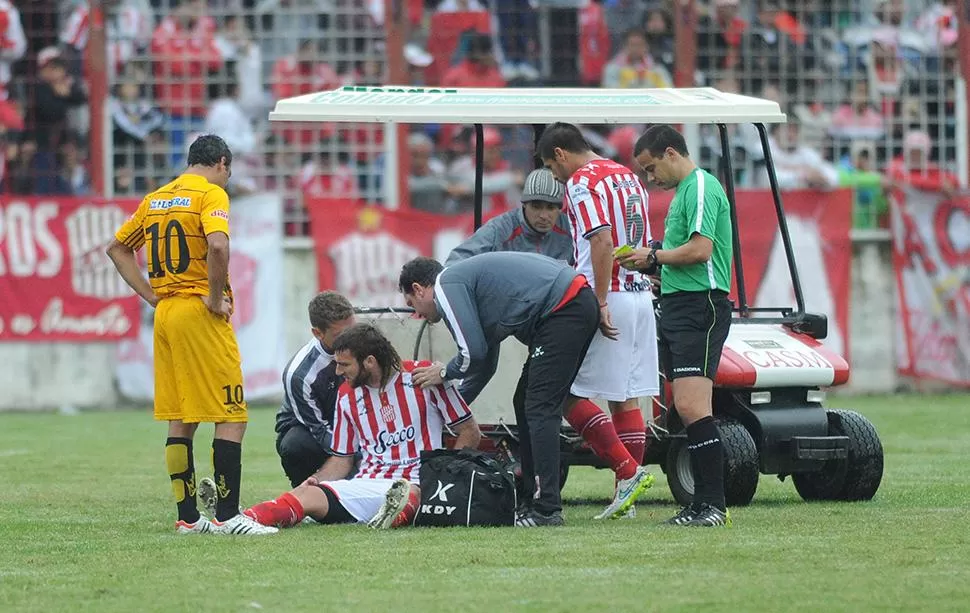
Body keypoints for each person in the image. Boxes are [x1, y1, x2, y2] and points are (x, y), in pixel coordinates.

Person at [399, 252, 653, 526]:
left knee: (539, 407)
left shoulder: (445, 285)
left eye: (412, 304)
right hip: (572, 303)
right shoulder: (465, 286)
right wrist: (453, 413)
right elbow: (484, 363)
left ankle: (546, 509)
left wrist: (444, 372)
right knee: (525, 400)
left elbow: (471, 353)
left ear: (419, 288)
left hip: (563, 308)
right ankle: (534, 499)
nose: (417, 314)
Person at [105, 134, 276, 535]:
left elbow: (117, 249)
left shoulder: (156, 199)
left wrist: (151, 296)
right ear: (221, 162)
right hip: (199, 313)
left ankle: (187, 518)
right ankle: (230, 516)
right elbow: (218, 247)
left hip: (167, 313)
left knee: (181, 418)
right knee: (231, 413)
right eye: (228, 173)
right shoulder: (210, 194)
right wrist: (215, 299)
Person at [200, 323, 482, 530]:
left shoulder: (423, 377)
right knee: (307, 493)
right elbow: (342, 459)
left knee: (411, 492)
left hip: (418, 482)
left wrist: (443, 481)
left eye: (344, 364)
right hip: (367, 484)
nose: (337, 372)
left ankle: (401, 509)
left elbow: (469, 431)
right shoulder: (347, 395)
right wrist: (319, 479)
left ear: (369, 361)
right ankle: (241, 518)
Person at [536, 122, 660, 519]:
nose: (555, 178)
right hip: (641, 295)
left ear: (559, 153)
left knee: (564, 392)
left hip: (609, 294)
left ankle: (627, 473)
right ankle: (627, 498)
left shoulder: (582, 182)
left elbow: (601, 239)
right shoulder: (627, 176)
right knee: (625, 396)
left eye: (551, 168)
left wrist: (601, 300)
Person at [618, 124, 734, 527]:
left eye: (651, 168)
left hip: (701, 306)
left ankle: (713, 505)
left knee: (691, 406)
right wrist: (652, 267)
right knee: (686, 408)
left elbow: (701, 251)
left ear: (671, 152)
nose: (651, 179)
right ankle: (703, 504)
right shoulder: (686, 192)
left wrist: (653, 258)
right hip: (683, 302)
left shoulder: (700, 186)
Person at [274, 291, 356, 487]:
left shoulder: (365, 344)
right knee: (295, 444)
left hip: (354, 422)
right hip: (314, 428)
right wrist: (352, 457)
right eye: (339, 335)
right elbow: (319, 430)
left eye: (352, 329)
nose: (350, 339)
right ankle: (306, 490)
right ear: (318, 333)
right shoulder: (300, 374)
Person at [444, 167, 574, 266]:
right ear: (524, 205)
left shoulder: (572, 229)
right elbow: (456, 261)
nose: (544, 216)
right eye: (536, 206)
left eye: (550, 208)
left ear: (559, 209)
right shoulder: (501, 228)